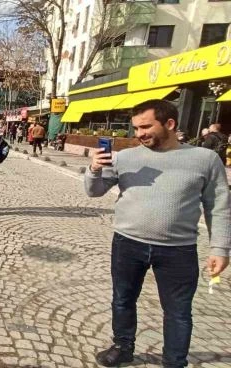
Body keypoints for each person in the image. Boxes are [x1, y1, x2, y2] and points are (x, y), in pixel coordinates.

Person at [86, 99, 230, 368]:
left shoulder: (205, 159)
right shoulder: (126, 157)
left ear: (170, 123)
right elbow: (94, 191)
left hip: (179, 250)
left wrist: (220, 248)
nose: (139, 134)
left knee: (178, 312)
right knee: (123, 299)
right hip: (128, 244)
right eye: (136, 128)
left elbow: (218, 206)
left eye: (146, 127)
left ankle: (175, 362)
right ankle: (123, 346)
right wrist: (94, 169)